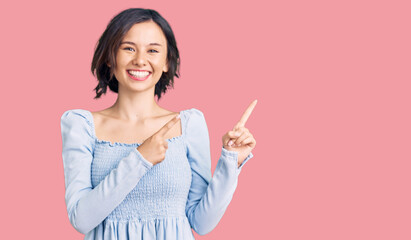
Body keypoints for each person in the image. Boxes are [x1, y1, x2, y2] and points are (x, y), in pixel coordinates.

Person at [60, 8, 257, 240]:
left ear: (166, 62)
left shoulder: (189, 124)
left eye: (153, 50)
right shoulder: (81, 125)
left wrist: (231, 160)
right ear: (109, 58)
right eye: (128, 48)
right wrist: (139, 160)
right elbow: (82, 219)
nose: (140, 60)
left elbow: (201, 222)